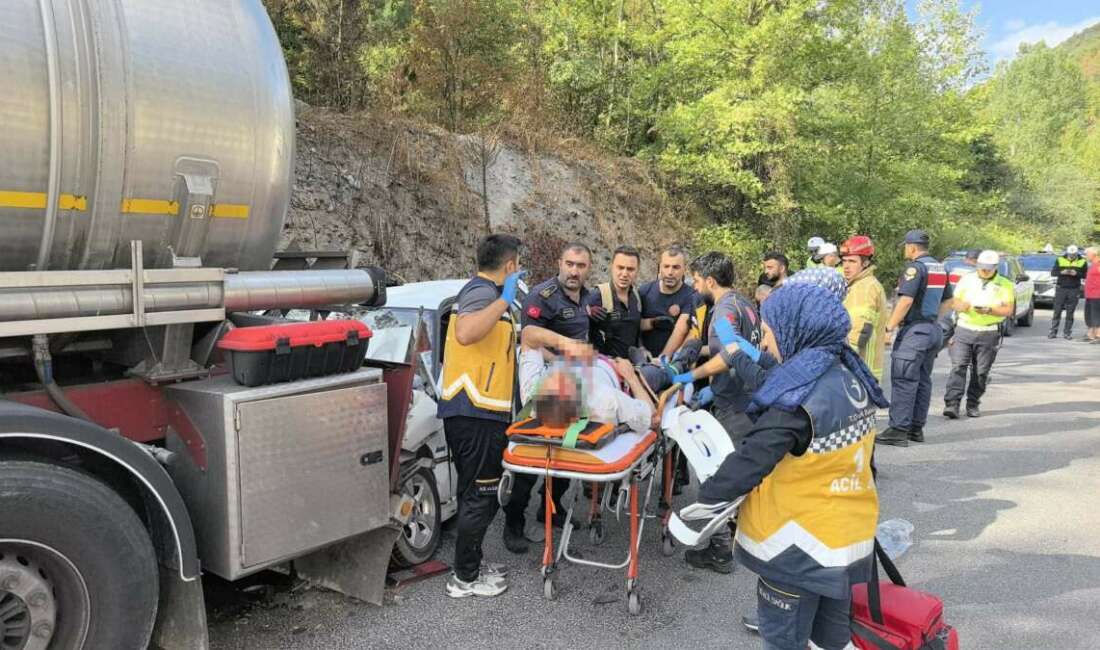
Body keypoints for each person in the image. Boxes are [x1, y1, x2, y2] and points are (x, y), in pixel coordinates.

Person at [692, 282, 889, 650]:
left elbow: (751, 458)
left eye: (769, 332)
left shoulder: (797, 404)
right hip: (846, 539)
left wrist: (700, 506)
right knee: (832, 641)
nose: (765, 342)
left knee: (784, 641)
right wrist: (738, 356)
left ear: (796, 330)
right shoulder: (847, 374)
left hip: (798, 548)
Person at [436, 234, 524, 598]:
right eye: (516, 263)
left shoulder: (483, 294)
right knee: (481, 497)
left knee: (473, 493)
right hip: (476, 413)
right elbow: (466, 331)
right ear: (509, 266)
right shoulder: (482, 293)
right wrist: (505, 299)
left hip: (478, 413)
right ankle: (465, 580)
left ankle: (468, 564)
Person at [667, 252, 762, 574]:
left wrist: (689, 377)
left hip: (734, 406)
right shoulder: (745, 304)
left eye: (696, 280)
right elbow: (736, 347)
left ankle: (720, 550)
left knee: (713, 475)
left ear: (709, 280)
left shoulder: (722, 310)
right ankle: (737, 534)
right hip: (747, 400)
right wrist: (697, 350)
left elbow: (729, 356)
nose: (694, 286)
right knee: (736, 473)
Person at [505, 242, 593, 553]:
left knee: (565, 452)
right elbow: (529, 342)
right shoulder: (541, 298)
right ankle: (513, 522)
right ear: (559, 263)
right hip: (540, 385)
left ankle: (550, 511)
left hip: (572, 384)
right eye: (569, 264)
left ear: (587, 268)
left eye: (580, 266)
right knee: (533, 457)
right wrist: (563, 357)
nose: (574, 271)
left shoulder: (587, 297)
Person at [879, 229, 952, 447]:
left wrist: (889, 327)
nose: (904, 249)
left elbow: (905, 301)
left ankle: (898, 429)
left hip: (915, 331)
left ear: (912, 247)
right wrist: (931, 319)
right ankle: (915, 429)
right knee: (922, 380)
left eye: (905, 246)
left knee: (904, 380)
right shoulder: (940, 268)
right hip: (932, 330)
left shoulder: (914, 268)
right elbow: (948, 302)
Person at [943, 250, 1015, 420]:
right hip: (964, 329)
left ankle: (973, 403)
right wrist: (962, 306)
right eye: (982, 267)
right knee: (958, 366)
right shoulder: (967, 279)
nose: (984, 271)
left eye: (988, 268)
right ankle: (952, 404)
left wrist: (990, 310)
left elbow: (1008, 310)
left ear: (995, 267)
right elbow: (954, 301)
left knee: (981, 372)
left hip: (988, 332)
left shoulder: (1005, 284)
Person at [840, 236, 888, 382]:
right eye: (844, 261)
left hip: (860, 370)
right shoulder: (858, 284)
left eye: (852, 261)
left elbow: (860, 330)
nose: (846, 266)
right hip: (863, 369)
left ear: (865, 263)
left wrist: (843, 361)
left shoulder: (866, 287)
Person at [585, 246, 643, 358]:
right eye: (620, 267)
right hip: (604, 367)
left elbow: (636, 329)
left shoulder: (636, 296)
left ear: (637, 270)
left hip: (631, 366)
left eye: (630, 269)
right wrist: (586, 312)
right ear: (612, 266)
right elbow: (572, 321)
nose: (625, 273)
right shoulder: (598, 295)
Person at [639, 246, 696, 359]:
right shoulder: (644, 291)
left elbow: (680, 330)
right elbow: (633, 326)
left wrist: (662, 359)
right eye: (666, 266)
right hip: (643, 358)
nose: (670, 272)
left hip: (672, 362)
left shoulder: (691, 296)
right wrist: (641, 349)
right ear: (660, 267)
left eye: (676, 267)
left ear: (684, 269)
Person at [1049, 245, 1087, 340]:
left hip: (1074, 289)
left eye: (1074, 255)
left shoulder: (1082, 261)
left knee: (1070, 312)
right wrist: (1062, 272)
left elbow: (1085, 275)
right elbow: (1053, 272)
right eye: (1070, 254)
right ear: (1067, 253)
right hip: (1061, 288)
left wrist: (1076, 273)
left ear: (1077, 253)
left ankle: (1067, 333)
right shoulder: (1060, 259)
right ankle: (1053, 332)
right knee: (1057, 311)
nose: (1072, 256)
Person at [1085, 247, 1100, 343]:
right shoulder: (1092, 264)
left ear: (1093, 254)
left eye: (1087, 254)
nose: (1086, 256)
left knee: (1097, 315)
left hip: (1097, 294)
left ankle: (1098, 335)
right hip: (1090, 294)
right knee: (1089, 315)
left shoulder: (1099, 263)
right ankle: (1091, 335)